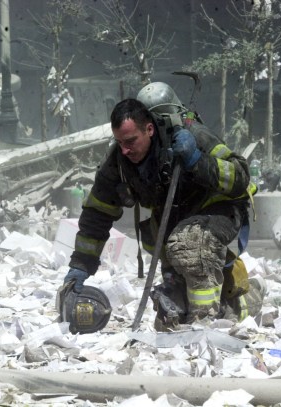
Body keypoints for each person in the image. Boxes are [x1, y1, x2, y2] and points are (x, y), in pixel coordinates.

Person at [62, 82, 264, 330]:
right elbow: (97, 213)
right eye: (119, 142)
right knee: (170, 316)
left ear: (149, 129)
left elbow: (241, 177)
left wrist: (197, 161)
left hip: (217, 212)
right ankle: (244, 298)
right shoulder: (120, 161)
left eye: (131, 141)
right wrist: (80, 267)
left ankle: (204, 323)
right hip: (174, 230)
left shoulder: (193, 136)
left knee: (190, 242)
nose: (124, 150)